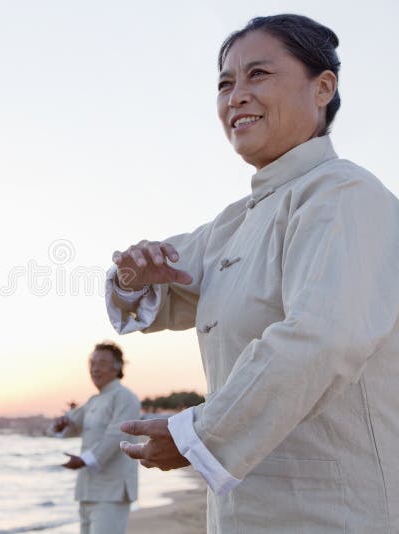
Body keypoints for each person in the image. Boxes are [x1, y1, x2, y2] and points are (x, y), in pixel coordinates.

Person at [105, 14, 399, 533]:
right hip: (246, 512)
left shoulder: (345, 195)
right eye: (225, 83)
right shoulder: (234, 223)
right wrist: (132, 276)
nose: (235, 96)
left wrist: (198, 431)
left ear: (323, 87)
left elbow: (323, 335)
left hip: (337, 511)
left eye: (258, 74)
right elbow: (155, 284)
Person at [52, 342, 140, 534]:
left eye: (101, 363)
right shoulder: (93, 400)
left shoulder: (125, 397)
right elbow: (74, 426)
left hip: (112, 491)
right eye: (92, 363)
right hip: (87, 490)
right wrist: (62, 424)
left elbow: (117, 435)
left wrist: (84, 460)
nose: (95, 368)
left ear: (117, 367)